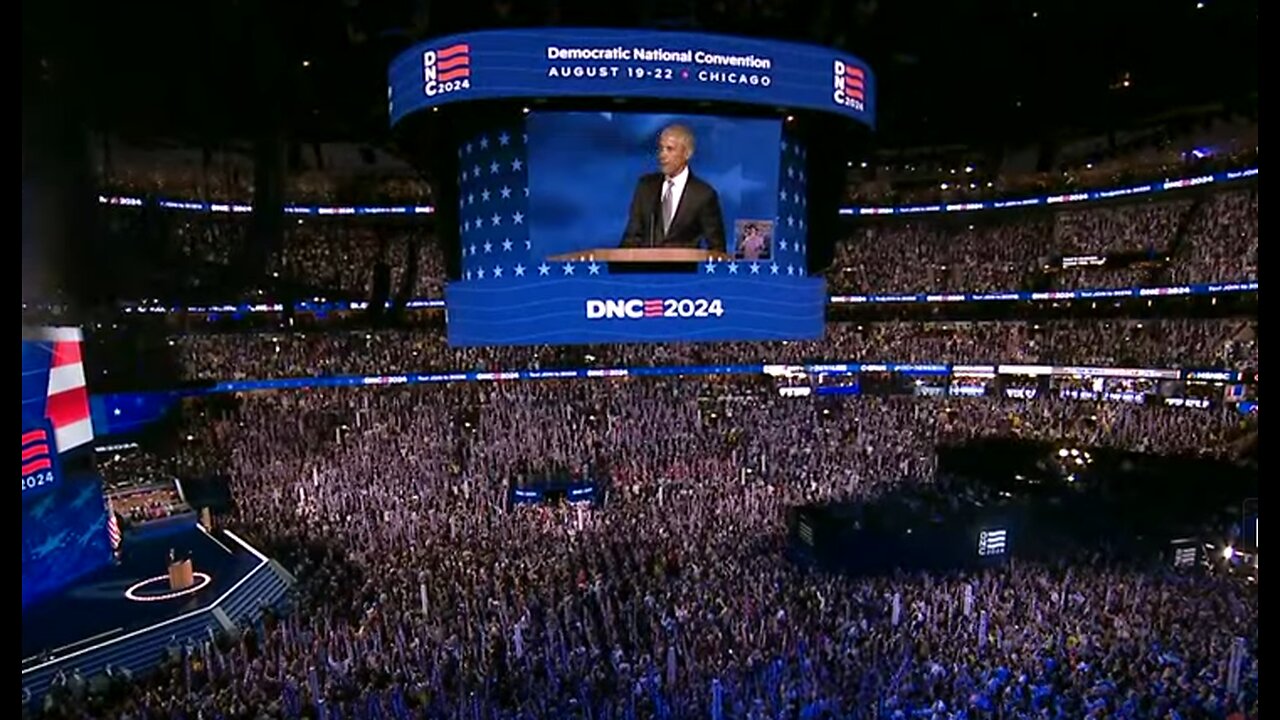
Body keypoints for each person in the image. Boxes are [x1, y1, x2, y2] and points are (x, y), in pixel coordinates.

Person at [620, 124, 726, 252]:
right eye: (661, 149)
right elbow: (631, 238)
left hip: (685, 271)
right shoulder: (646, 187)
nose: (662, 155)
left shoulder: (703, 195)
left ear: (687, 153)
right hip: (646, 270)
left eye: (669, 149)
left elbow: (717, 248)